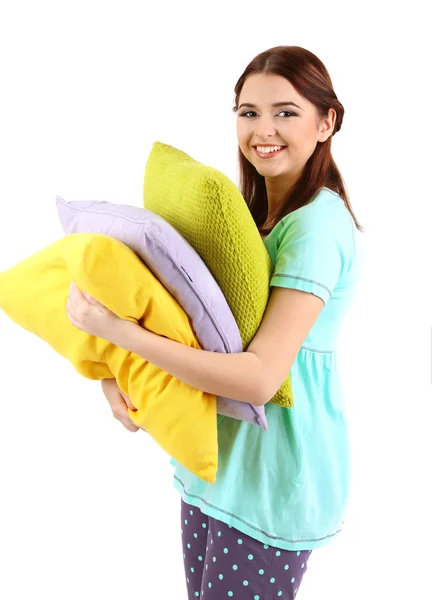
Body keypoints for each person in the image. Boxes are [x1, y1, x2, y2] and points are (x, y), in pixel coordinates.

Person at [66, 45, 363, 599]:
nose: (262, 129)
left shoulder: (316, 227)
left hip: (273, 479)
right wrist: (116, 375)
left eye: (286, 112)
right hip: (221, 465)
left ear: (327, 122)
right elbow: (196, 333)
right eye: (248, 112)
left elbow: (258, 378)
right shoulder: (250, 220)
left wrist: (119, 333)